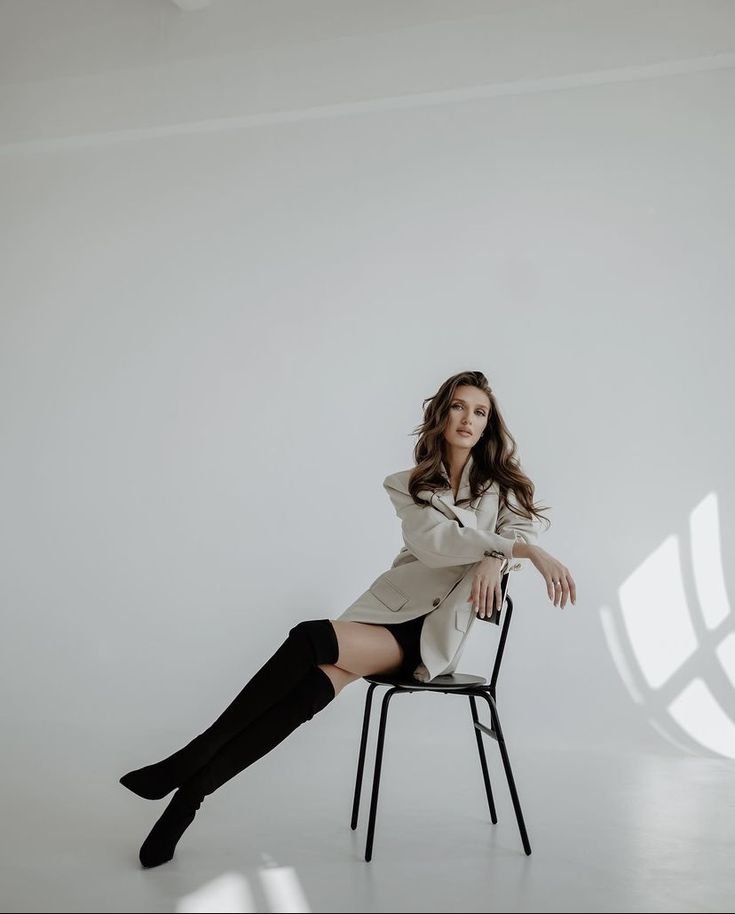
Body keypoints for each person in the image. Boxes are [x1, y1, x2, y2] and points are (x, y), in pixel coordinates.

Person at [120, 369, 576, 867]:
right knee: (305, 689)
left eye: (480, 412)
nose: (468, 419)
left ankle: (190, 762)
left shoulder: (502, 487)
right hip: (387, 614)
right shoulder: (406, 485)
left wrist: (501, 556)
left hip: (429, 637)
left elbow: (517, 529)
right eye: (459, 407)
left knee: (307, 642)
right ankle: (189, 798)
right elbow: (437, 545)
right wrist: (514, 551)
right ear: (441, 414)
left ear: (489, 424)